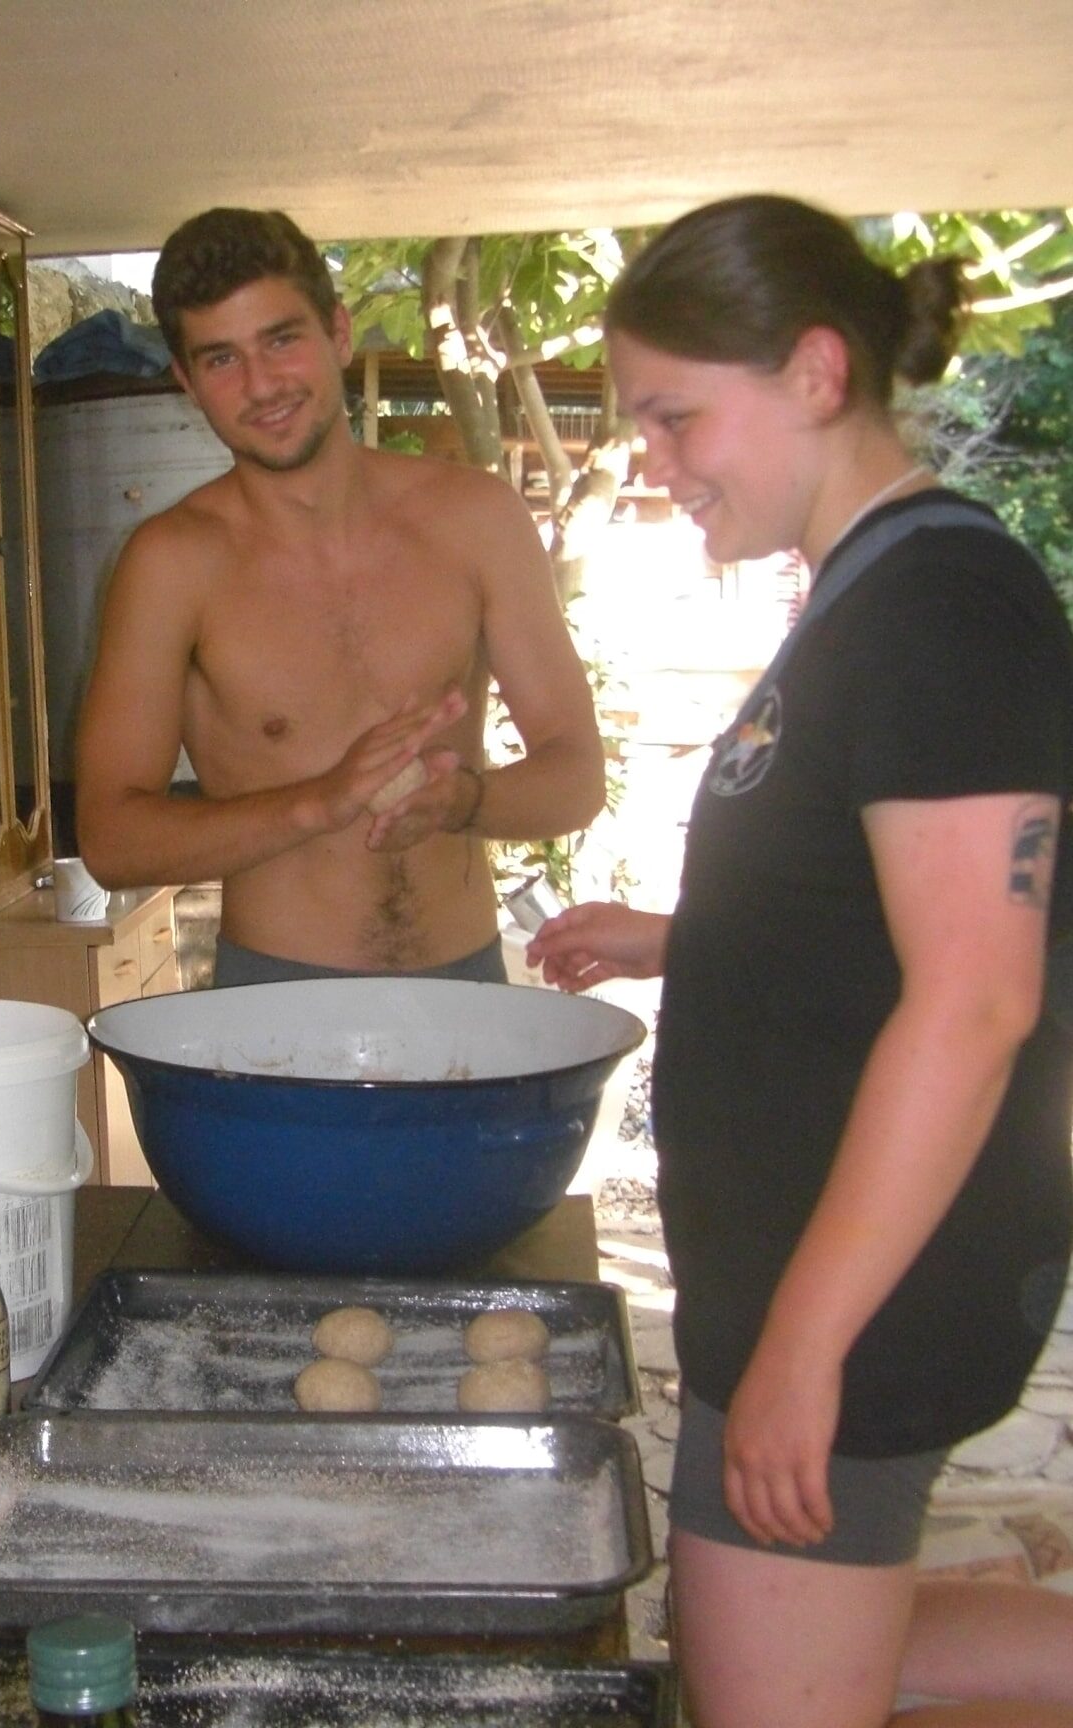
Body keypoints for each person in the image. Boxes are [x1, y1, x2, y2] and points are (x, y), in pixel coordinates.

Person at [527, 194, 1073, 1728]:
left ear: (818, 374)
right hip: (803, 1263)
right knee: (757, 1657)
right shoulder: (864, 596)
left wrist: (799, 1350)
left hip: (861, 1286)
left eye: (677, 415)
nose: (654, 460)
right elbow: (871, 911)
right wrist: (675, 942)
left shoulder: (940, 610)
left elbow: (976, 997)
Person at [73, 208, 604, 986]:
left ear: (340, 334)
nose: (261, 386)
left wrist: (462, 800)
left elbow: (576, 776)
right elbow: (113, 840)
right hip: (279, 1005)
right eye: (221, 359)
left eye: (282, 340)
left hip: (468, 994)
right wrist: (316, 805)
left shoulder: (476, 519)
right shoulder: (171, 565)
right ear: (187, 383)